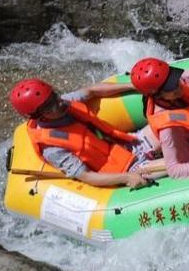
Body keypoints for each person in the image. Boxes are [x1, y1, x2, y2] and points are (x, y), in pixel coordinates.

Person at [9, 78, 156, 188]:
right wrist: (127, 177)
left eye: (54, 95)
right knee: (175, 167)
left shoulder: (63, 103)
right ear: (39, 115)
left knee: (171, 125)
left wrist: (132, 85)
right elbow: (86, 176)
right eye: (50, 106)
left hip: (128, 144)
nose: (59, 103)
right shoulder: (52, 149)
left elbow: (90, 91)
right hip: (125, 169)